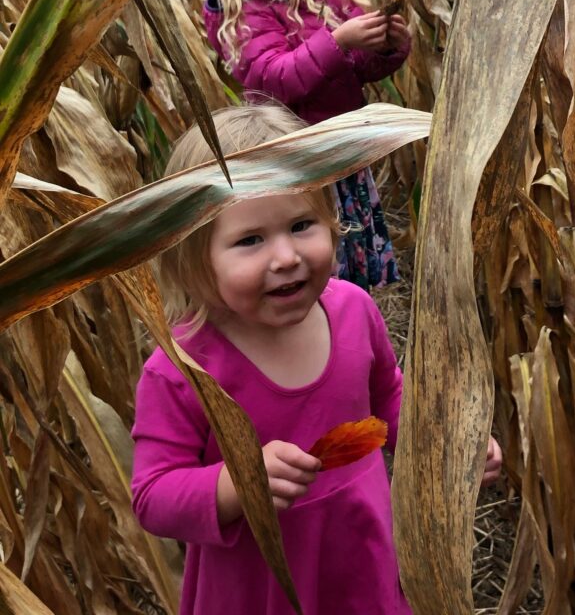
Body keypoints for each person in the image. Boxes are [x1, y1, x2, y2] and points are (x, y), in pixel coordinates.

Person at [131, 104, 503, 615]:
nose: (286, 256)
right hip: (259, 589)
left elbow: (387, 401)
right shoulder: (182, 370)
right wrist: (237, 483)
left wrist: (446, 444)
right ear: (193, 256)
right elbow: (153, 495)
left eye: (302, 224)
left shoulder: (353, 310)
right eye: (250, 240)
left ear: (333, 223)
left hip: (362, 556)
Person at [203, 0, 411, 292]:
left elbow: (357, 70)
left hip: (340, 150)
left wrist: (386, 45)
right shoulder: (245, 7)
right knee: (316, 258)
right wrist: (338, 40)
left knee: (350, 262)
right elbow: (271, 79)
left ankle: (353, 313)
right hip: (296, 161)